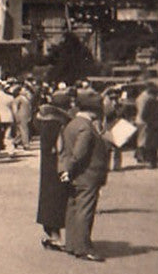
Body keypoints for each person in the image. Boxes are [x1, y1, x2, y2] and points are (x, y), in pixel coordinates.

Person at [59, 90, 112, 263]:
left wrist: (66, 170)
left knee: (73, 208)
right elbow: (79, 154)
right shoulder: (86, 128)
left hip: (76, 174)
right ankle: (83, 248)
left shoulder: (73, 124)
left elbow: (66, 151)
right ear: (94, 110)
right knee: (85, 210)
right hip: (87, 174)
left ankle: (72, 244)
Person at [34, 90, 74, 250]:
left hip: (47, 164)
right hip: (57, 163)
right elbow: (60, 146)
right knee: (57, 199)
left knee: (47, 197)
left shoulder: (43, 120)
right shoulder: (59, 123)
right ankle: (56, 236)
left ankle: (51, 234)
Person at [135, 82, 158, 168]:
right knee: (148, 141)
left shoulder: (142, 98)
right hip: (150, 123)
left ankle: (150, 161)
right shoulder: (149, 99)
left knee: (146, 141)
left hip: (146, 122)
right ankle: (144, 157)